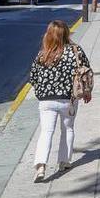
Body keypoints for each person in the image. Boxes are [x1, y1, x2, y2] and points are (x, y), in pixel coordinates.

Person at [28, 20, 91, 182]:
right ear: (67, 33)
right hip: (68, 99)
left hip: (46, 101)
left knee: (46, 132)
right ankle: (64, 161)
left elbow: (32, 78)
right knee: (67, 129)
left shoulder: (42, 55)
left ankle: (41, 165)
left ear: (48, 35)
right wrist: (86, 92)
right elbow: (86, 71)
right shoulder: (75, 51)